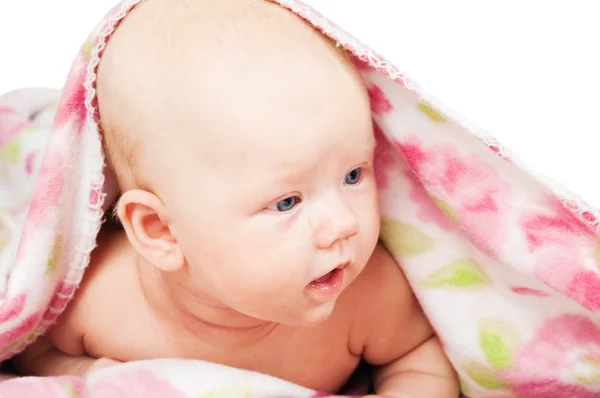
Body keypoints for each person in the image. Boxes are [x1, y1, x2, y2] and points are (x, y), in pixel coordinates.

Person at [14, 0, 459, 396]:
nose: (344, 224)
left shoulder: (366, 297)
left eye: (353, 174)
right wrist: (87, 375)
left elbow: (418, 354)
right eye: (287, 203)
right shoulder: (100, 299)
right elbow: (31, 348)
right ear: (161, 231)